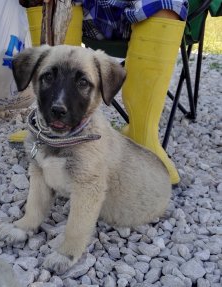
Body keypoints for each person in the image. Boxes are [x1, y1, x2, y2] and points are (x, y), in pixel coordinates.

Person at [34, 0, 189, 184]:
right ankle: (46, 123)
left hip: (142, 12)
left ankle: (143, 134)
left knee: (166, 1)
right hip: (92, 11)